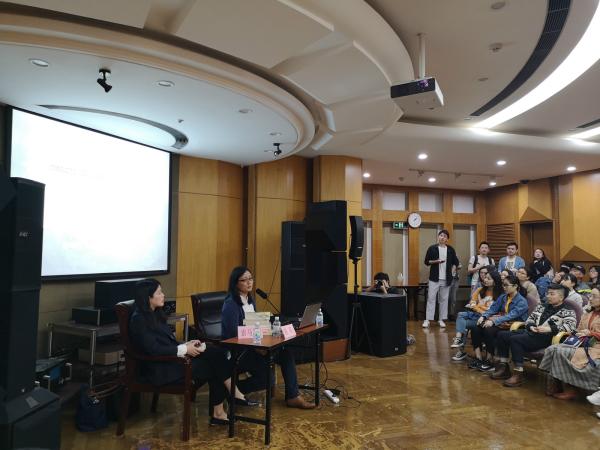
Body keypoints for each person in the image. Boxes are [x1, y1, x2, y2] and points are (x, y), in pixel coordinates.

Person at [129, 279, 242, 425]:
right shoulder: (139, 319)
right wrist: (184, 349)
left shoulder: (155, 314)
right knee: (215, 365)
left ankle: (226, 403)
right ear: (148, 297)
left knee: (216, 352)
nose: (163, 295)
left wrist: (186, 344)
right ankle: (226, 403)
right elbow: (153, 350)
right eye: (159, 293)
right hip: (160, 369)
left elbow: (166, 342)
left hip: (171, 361)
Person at [221, 266, 315, 409]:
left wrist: (268, 331)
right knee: (267, 379)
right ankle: (228, 390)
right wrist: (257, 343)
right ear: (235, 283)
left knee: (286, 354)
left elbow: (254, 324)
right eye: (244, 280)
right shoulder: (231, 304)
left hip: (255, 346)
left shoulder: (250, 300)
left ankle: (293, 396)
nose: (249, 282)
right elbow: (233, 334)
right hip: (239, 351)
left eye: (250, 278)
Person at [490, 283, 576, 387]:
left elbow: (570, 328)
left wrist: (548, 329)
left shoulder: (568, 312)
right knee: (502, 335)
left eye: (552, 294)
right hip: (532, 333)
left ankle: (518, 373)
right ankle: (504, 368)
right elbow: (530, 319)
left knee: (516, 339)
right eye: (547, 293)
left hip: (548, 338)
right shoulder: (542, 306)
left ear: (561, 297)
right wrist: (531, 326)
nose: (548, 296)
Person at [539, 287, 600, 400]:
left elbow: (592, 333)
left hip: (596, 348)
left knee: (561, 352)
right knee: (553, 348)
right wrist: (577, 333)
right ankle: (556, 382)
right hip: (582, 343)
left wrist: (592, 333)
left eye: (594, 296)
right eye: (590, 295)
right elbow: (579, 329)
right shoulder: (588, 313)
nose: (590, 299)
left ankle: (572, 389)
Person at [470, 273, 528, 372]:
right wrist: (484, 316)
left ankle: (490, 360)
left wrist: (493, 321)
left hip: (513, 325)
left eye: (506, 285)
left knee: (488, 330)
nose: (504, 287)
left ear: (515, 286)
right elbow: (493, 309)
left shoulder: (522, 301)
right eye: (503, 285)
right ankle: (479, 358)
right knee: (476, 327)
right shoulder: (503, 297)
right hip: (502, 323)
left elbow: (511, 316)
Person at [451, 269, 502, 362]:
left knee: (464, 324)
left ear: (495, 281)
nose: (485, 280)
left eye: (488, 278)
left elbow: (494, 311)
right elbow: (472, 303)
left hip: (487, 320)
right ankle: (458, 341)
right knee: (461, 317)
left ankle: (461, 348)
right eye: (485, 278)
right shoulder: (480, 290)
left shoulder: (500, 295)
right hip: (477, 316)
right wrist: (479, 309)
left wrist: (479, 309)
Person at [422, 229, 460, 328]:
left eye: (445, 236)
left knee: (444, 299)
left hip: (446, 278)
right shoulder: (432, 248)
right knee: (431, 298)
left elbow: (456, 263)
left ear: (447, 239)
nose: (442, 237)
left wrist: (452, 272)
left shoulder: (450, 249)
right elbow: (426, 262)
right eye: (441, 235)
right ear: (438, 237)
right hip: (434, 278)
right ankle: (427, 319)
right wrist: (436, 261)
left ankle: (441, 319)